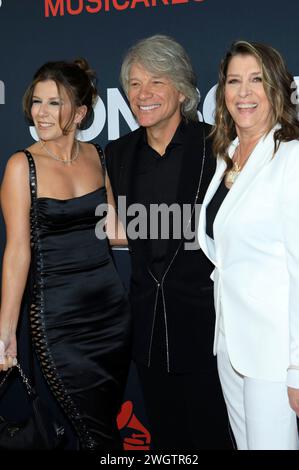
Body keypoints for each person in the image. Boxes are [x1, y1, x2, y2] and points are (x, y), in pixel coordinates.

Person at [105, 35, 231, 450]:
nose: (143, 94)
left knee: (216, 438)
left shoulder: (217, 146)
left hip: (210, 329)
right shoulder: (117, 154)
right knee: (169, 443)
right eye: (135, 84)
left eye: (156, 82)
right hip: (147, 331)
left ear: (181, 91)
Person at [0, 59, 131, 450]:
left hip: (111, 318)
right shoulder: (22, 167)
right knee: (93, 432)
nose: (41, 112)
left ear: (80, 113)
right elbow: (17, 252)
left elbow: (114, 231)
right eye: (37, 101)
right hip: (58, 322)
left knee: (102, 426)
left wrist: (186, 233)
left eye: (54, 103)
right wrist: (6, 334)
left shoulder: (96, 155)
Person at [198, 40, 299, 450]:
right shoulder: (227, 157)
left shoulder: (291, 159)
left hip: (274, 354)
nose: (243, 92)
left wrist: (297, 368)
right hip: (230, 343)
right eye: (234, 81)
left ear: (276, 87)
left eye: (255, 79)